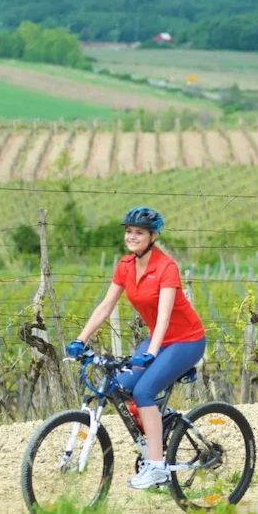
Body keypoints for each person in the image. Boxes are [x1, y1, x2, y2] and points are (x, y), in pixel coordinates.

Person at [66, 206, 207, 489]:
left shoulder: (167, 267)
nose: (132, 236)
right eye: (129, 231)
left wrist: (152, 352)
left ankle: (157, 467)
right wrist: (81, 339)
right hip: (159, 338)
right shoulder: (125, 266)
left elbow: (165, 316)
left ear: (152, 236)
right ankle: (163, 421)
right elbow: (106, 306)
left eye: (139, 232)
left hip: (186, 341)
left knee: (144, 390)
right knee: (122, 385)